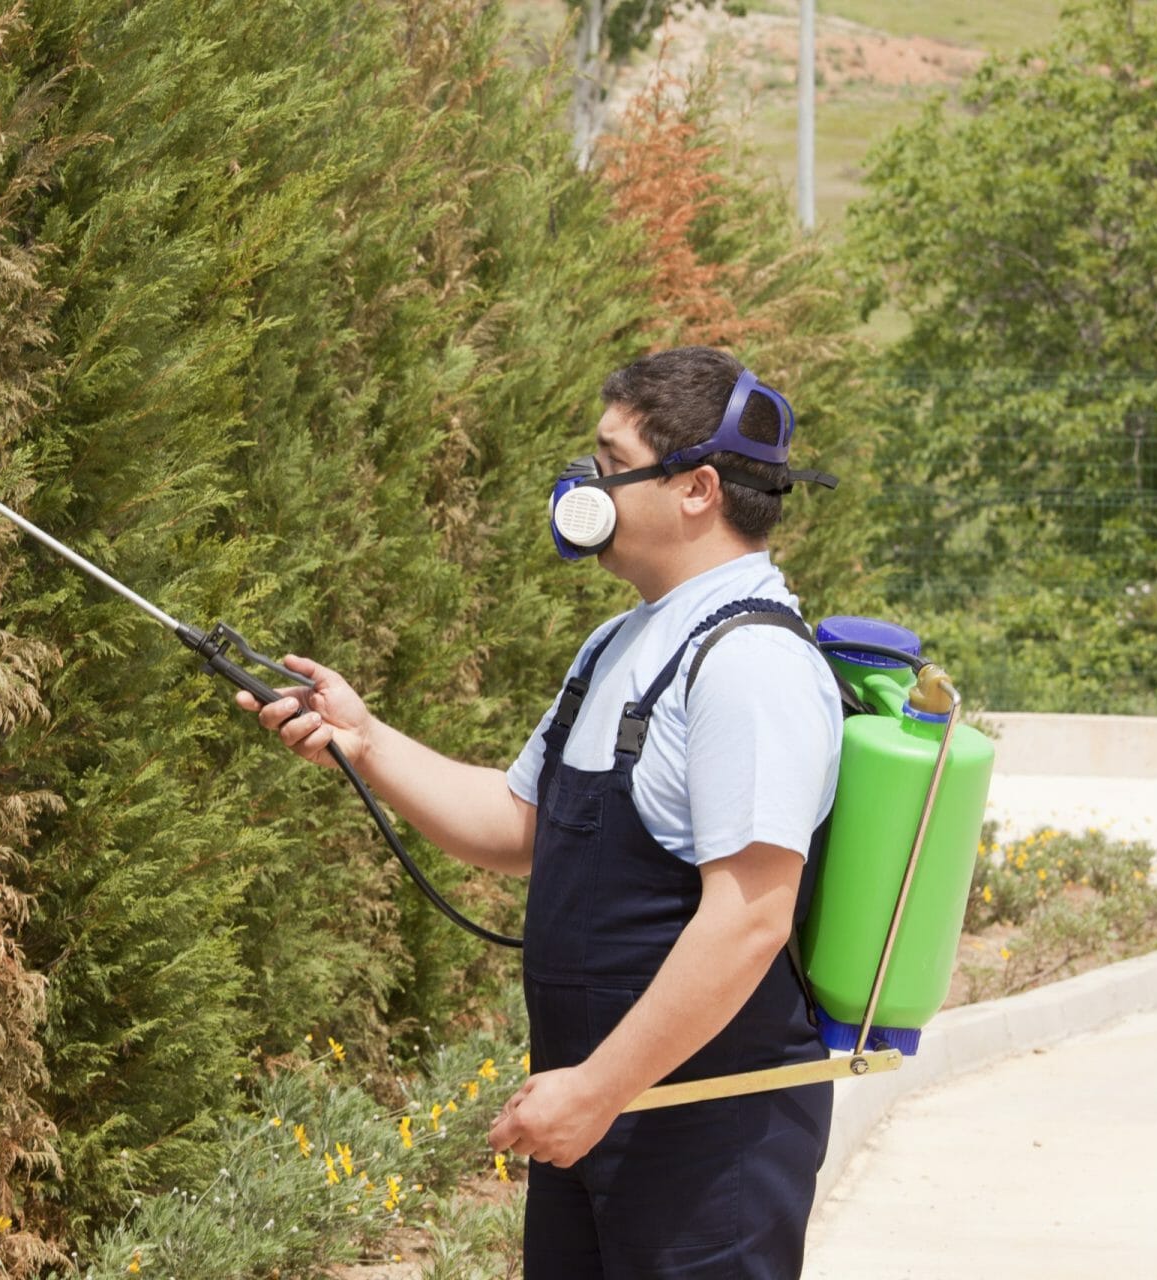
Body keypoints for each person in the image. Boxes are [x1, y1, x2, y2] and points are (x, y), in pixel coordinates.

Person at [237, 346, 843, 1278]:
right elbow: (521, 825)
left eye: (607, 463)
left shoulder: (754, 665)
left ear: (697, 488)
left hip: (704, 1135)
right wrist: (365, 741)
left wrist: (596, 1091)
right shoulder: (621, 642)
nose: (583, 486)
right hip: (595, 1113)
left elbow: (750, 917)